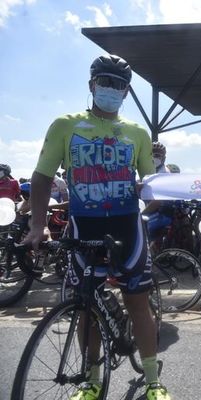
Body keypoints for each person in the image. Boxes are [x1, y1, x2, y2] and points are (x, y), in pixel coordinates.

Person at [21, 54, 172, 400]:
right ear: (92, 86)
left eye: (119, 85)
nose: (111, 89)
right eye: (105, 82)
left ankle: (153, 381)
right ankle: (91, 380)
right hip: (82, 229)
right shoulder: (65, 125)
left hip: (127, 230)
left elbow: (150, 183)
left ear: (126, 92)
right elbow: (42, 176)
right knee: (85, 307)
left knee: (137, 304)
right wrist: (38, 224)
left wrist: (149, 199)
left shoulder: (136, 133)